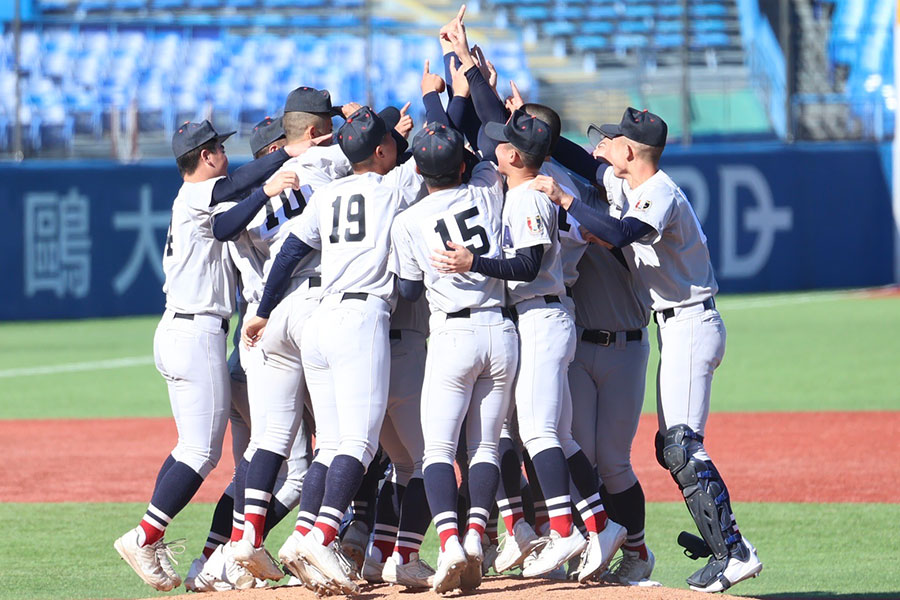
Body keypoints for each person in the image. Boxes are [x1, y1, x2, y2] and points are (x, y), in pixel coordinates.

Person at [532, 107, 763, 594]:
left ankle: (734, 552)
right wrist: (524, 123)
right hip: (677, 325)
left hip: (691, 322)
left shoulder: (657, 192)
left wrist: (563, 197)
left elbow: (620, 234)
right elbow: (572, 154)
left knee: (683, 446)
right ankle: (723, 546)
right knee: (673, 447)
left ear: (631, 150)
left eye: (611, 141)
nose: (601, 147)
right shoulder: (631, 183)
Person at [113, 120, 308, 591]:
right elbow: (238, 185)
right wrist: (285, 157)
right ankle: (145, 535)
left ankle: (176, 547)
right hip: (197, 332)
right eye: (219, 147)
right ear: (205, 156)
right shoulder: (196, 194)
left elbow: (233, 207)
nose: (224, 152)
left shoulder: (202, 201)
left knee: (194, 449)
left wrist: (266, 181)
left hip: (184, 330)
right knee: (201, 453)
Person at [244, 104, 418, 595]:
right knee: (360, 444)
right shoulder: (395, 185)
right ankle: (322, 535)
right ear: (383, 149)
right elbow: (434, 153)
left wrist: (261, 309)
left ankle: (302, 535)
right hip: (361, 319)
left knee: (335, 441)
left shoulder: (331, 192)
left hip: (319, 319)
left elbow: (292, 252)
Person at [390, 119, 518, 594]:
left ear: (419, 171)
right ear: (462, 163)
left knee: (438, 449)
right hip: (500, 328)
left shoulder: (408, 220)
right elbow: (485, 153)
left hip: (451, 333)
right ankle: (476, 537)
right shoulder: (487, 190)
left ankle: (448, 543)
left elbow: (405, 288)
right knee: (485, 446)